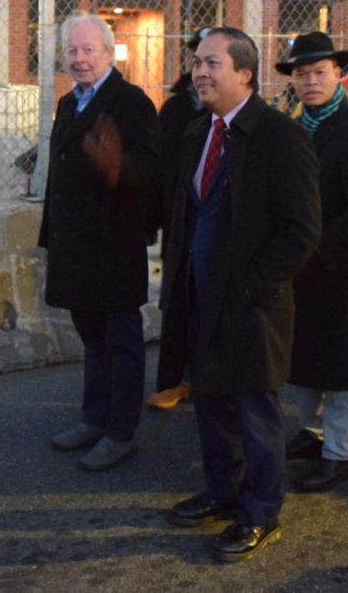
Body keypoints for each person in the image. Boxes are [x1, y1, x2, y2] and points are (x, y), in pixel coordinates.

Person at [158, 27, 320, 561]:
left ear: (245, 73)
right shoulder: (195, 131)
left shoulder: (279, 136)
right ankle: (222, 492)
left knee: (255, 409)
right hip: (199, 298)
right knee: (209, 400)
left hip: (253, 305)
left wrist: (255, 283)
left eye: (212, 64)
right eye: (197, 63)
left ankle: (261, 512)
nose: (200, 73)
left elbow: (301, 229)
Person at [39, 13, 160, 472]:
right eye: (72, 50)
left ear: (109, 54)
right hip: (75, 244)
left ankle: (120, 432)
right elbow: (58, 178)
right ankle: (95, 418)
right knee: (91, 336)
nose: (79, 58)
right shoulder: (69, 103)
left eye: (89, 50)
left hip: (114, 244)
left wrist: (117, 167)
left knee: (122, 339)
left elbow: (150, 170)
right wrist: (51, 235)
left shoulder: (131, 103)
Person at [274, 31, 348, 492]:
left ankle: (340, 453)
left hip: (340, 270)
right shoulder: (298, 129)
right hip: (303, 269)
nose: (310, 82)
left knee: (341, 365)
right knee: (305, 358)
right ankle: (312, 433)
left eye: (319, 72)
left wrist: (318, 250)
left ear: (338, 74)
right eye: (302, 74)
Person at [147, 27, 211, 411]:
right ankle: (179, 378)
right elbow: (159, 167)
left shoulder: (243, 110)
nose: (202, 67)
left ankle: (212, 378)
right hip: (181, 221)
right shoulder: (175, 110)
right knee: (179, 302)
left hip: (222, 225)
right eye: (197, 58)